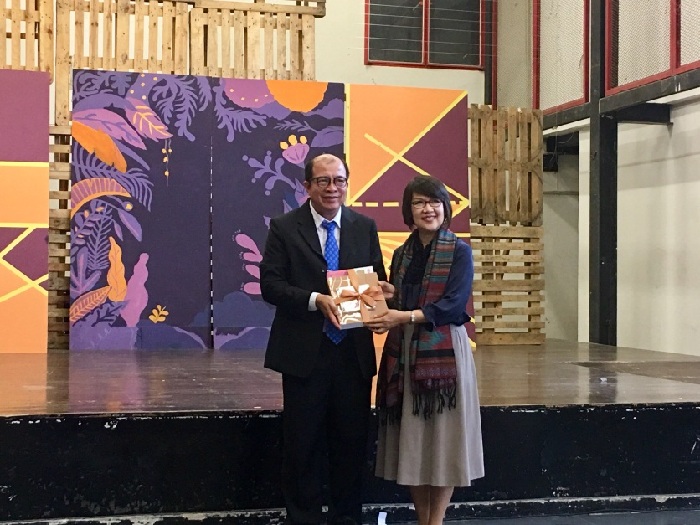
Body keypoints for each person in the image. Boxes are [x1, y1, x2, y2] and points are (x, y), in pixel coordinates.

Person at [260, 153, 387, 525]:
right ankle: (304, 518)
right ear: (307, 186)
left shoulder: (364, 226)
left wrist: (381, 300)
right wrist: (315, 299)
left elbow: (376, 278)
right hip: (304, 354)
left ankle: (347, 517)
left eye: (339, 180)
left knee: (351, 443)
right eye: (323, 181)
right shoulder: (285, 227)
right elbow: (271, 285)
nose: (333, 188)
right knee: (302, 444)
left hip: (352, 354)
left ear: (347, 183)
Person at [366, 175, 485, 525]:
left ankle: (437, 521)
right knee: (414, 441)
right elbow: (407, 299)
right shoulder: (402, 253)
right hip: (405, 351)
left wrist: (402, 315)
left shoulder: (459, 251)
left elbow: (452, 305)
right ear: (409, 210)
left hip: (444, 352)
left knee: (444, 441)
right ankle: (423, 520)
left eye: (434, 202)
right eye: (419, 202)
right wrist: (391, 296)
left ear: (445, 207)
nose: (427, 209)